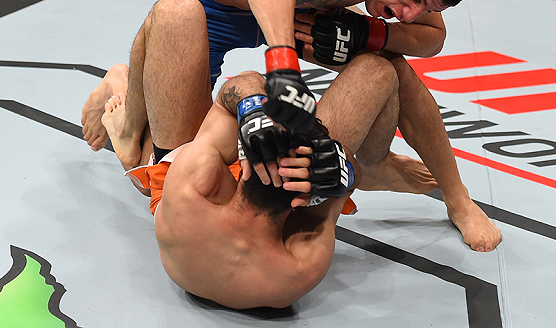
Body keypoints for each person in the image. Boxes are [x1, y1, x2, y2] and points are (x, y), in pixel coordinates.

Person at [80, 0, 501, 252]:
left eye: (424, 6)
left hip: (299, 2)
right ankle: (125, 91)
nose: (409, 13)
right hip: (214, 6)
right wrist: (284, 67)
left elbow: (431, 38)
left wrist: (369, 31)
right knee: (172, 177)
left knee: (391, 64)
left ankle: (454, 197)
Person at [89, 50, 440, 309]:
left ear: (243, 161)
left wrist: (253, 110)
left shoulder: (190, 190)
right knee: (380, 71)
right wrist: (343, 169)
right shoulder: (298, 267)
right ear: (304, 200)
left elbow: (239, 85)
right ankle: (128, 133)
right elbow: (341, 187)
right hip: (250, 237)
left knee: (168, 162)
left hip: (188, 222)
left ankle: (124, 105)